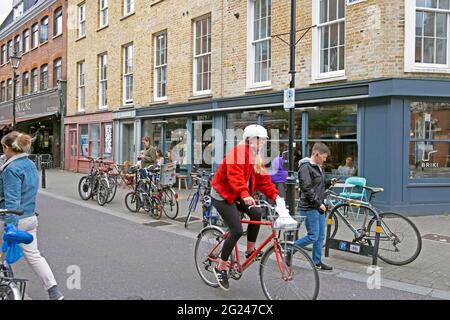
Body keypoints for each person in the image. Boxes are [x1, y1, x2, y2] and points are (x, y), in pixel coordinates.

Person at [210, 124, 286, 291]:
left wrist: (276, 197)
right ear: (249, 140)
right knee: (236, 230)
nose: (262, 143)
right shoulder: (237, 153)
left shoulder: (256, 156)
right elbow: (235, 177)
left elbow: (263, 181)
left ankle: (250, 250)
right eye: (259, 140)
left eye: (263, 140)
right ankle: (220, 267)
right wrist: (245, 195)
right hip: (223, 195)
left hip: (238, 194)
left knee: (257, 212)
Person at [0, 131, 64, 300]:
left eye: (3, 148)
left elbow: (12, 201)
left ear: (8, 148)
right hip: (30, 218)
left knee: (7, 253)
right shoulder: (29, 164)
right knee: (35, 256)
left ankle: (8, 285)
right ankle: (53, 291)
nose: (3, 152)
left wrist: (10, 226)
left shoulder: (11, 169)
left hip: (15, 218)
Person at [294, 142, 337, 271]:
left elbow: (319, 185)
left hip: (319, 206)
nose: (325, 160)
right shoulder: (305, 167)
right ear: (317, 154)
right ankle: (289, 249)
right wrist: (319, 204)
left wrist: (329, 182)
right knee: (313, 236)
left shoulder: (318, 167)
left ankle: (317, 262)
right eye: (323, 157)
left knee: (320, 236)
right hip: (309, 207)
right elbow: (307, 188)